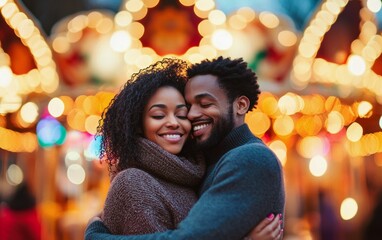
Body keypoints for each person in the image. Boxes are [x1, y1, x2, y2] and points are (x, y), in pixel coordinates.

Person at [85, 57, 285, 240]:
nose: (192, 115)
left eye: (205, 104)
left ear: (240, 105)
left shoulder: (249, 158)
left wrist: (97, 237)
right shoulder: (204, 165)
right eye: (189, 107)